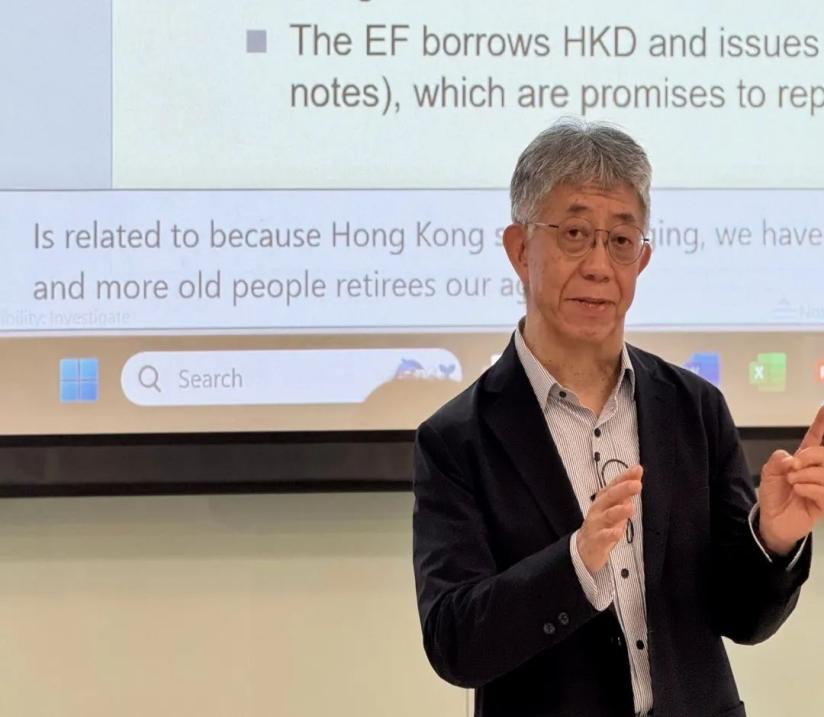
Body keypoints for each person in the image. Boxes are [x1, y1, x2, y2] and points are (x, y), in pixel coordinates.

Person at [412, 118, 824, 717]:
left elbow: (742, 618)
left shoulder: (694, 408)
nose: (600, 266)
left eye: (622, 241)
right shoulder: (456, 439)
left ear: (642, 259)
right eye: (575, 234)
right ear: (520, 249)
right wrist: (576, 563)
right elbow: (455, 643)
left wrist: (773, 538)